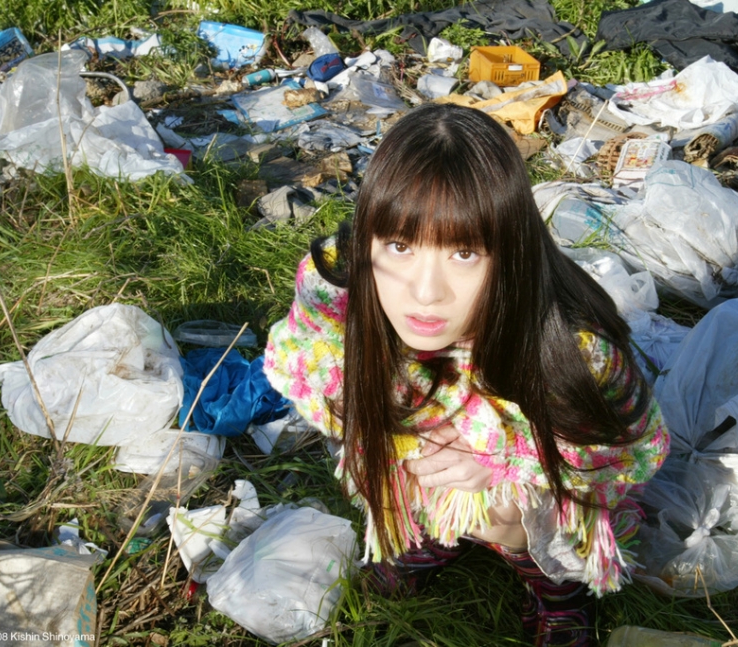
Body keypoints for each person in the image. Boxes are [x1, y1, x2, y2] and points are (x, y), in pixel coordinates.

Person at [263, 103, 669, 646]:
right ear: (368, 238)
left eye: (464, 253)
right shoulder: (338, 283)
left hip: (522, 483)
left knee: (498, 511)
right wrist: (399, 428)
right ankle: (434, 533)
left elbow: (632, 452)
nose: (426, 292)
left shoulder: (573, 348)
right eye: (400, 246)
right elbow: (302, 363)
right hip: (419, 451)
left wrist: (499, 454)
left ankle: (555, 587)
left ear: (509, 252)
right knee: (378, 456)